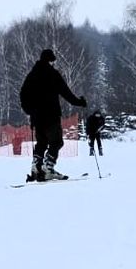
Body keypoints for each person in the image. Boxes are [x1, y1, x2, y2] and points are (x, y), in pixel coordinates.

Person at [18, 48, 87, 181]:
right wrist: (80, 102)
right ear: (50, 61)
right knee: (56, 142)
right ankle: (48, 168)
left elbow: (23, 93)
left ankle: (36, 168)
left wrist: (29, 110)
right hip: (51, 115)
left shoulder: (32, 74)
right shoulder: (53, 74)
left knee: (41, 143)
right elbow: (66, 93)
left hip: (37, 117)